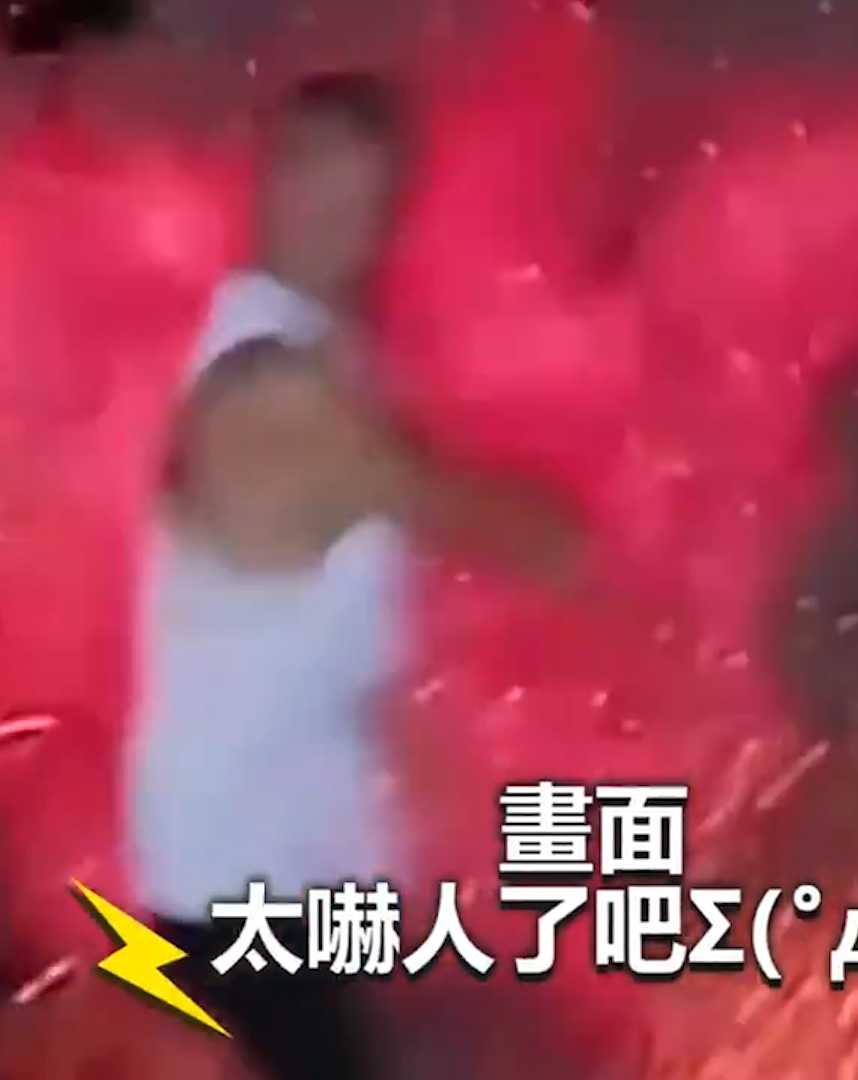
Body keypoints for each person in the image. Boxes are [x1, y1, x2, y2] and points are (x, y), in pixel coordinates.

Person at [125, 73, 581, 1080]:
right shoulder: (270, 388)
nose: (345, 231)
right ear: (266, 186)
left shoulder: (326, 358)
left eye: (366, 204)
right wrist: (635, 576)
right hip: (242, 897)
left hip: (298, 872)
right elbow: (494, 522)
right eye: (318, 190)